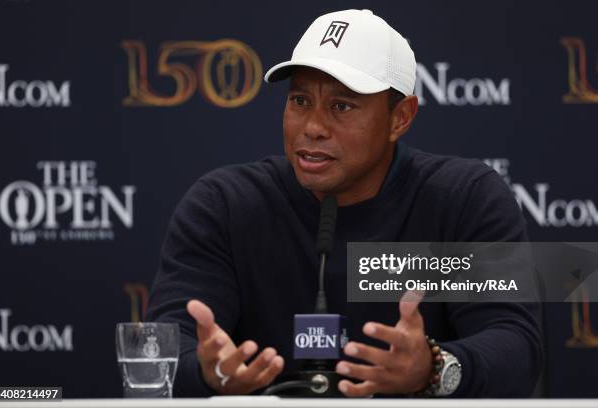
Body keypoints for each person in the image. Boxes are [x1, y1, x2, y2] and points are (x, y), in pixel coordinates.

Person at [147, 9, 541, 398]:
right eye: (300, 100)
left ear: (400, 118)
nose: (313, 127)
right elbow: (163, 354)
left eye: (341, 106)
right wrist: (204, 371)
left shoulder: (464, 199)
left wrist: (432, 368)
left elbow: (516, 348)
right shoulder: (225, 205)